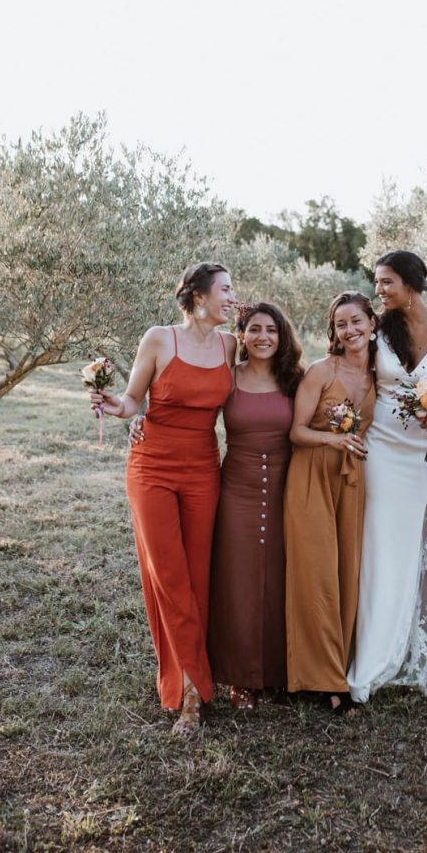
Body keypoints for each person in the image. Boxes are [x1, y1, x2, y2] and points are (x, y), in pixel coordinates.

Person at [89, 262, 235, 733]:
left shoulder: (230, 345)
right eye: (226, 290)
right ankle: (190, 693)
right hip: (151, 466)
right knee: (169, 575)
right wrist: (119, 409)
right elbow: (134, 400)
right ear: (198, 297)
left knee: (197, 576)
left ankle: (192, 673)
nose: (232, 297)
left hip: (202, 468)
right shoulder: (159, 339)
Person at [347, 250, 427, 704]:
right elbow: (351, 377)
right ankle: (379, 648)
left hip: (426, 455)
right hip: (381, 449)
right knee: (382, 541)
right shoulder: (376, 329)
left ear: (411, 281)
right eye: (376, 282)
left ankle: (425, 640)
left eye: (386, 282)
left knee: (426, 540)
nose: (379, 290)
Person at [207, 301, 304, 709]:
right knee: (239, 581)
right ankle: (241, 677)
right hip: (237, 491)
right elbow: (191, 414)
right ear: (241, 335)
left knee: (281, 578)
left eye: (272, 330)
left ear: (282, 337)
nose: (264, 337)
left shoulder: (295, 380)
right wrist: (143, 419)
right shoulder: (226, 378)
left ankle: (280, 672)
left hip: (287, 489)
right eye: (255, 329)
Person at [284, 291, 377, 712]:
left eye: (357, 321)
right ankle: (322, 680)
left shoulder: (381, 374)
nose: (350, 330)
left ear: (372, 323)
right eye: (341, 324)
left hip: (352, 479)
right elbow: (296, 431)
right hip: (311, 476)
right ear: (334, 332)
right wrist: (333, 439)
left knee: (347, 571)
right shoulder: (322, 372)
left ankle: (342, 665)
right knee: (317, 573)